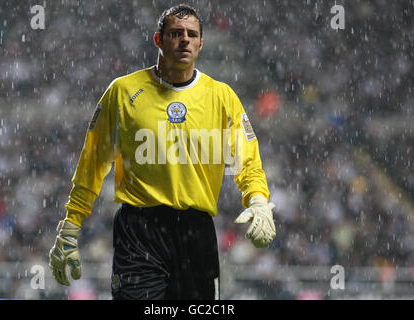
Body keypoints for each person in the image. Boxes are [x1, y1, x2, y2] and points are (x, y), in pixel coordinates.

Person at [49, 4, 276, 300]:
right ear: (158, 39)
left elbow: (248, 161)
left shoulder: (222, 97)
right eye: (175, 33)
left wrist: (258, 201)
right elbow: (91, 165)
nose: (184, 40)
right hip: (139, 230)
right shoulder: (123, 92)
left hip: (197, 231)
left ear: (201, 44)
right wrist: (70, 226)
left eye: (192, 35)